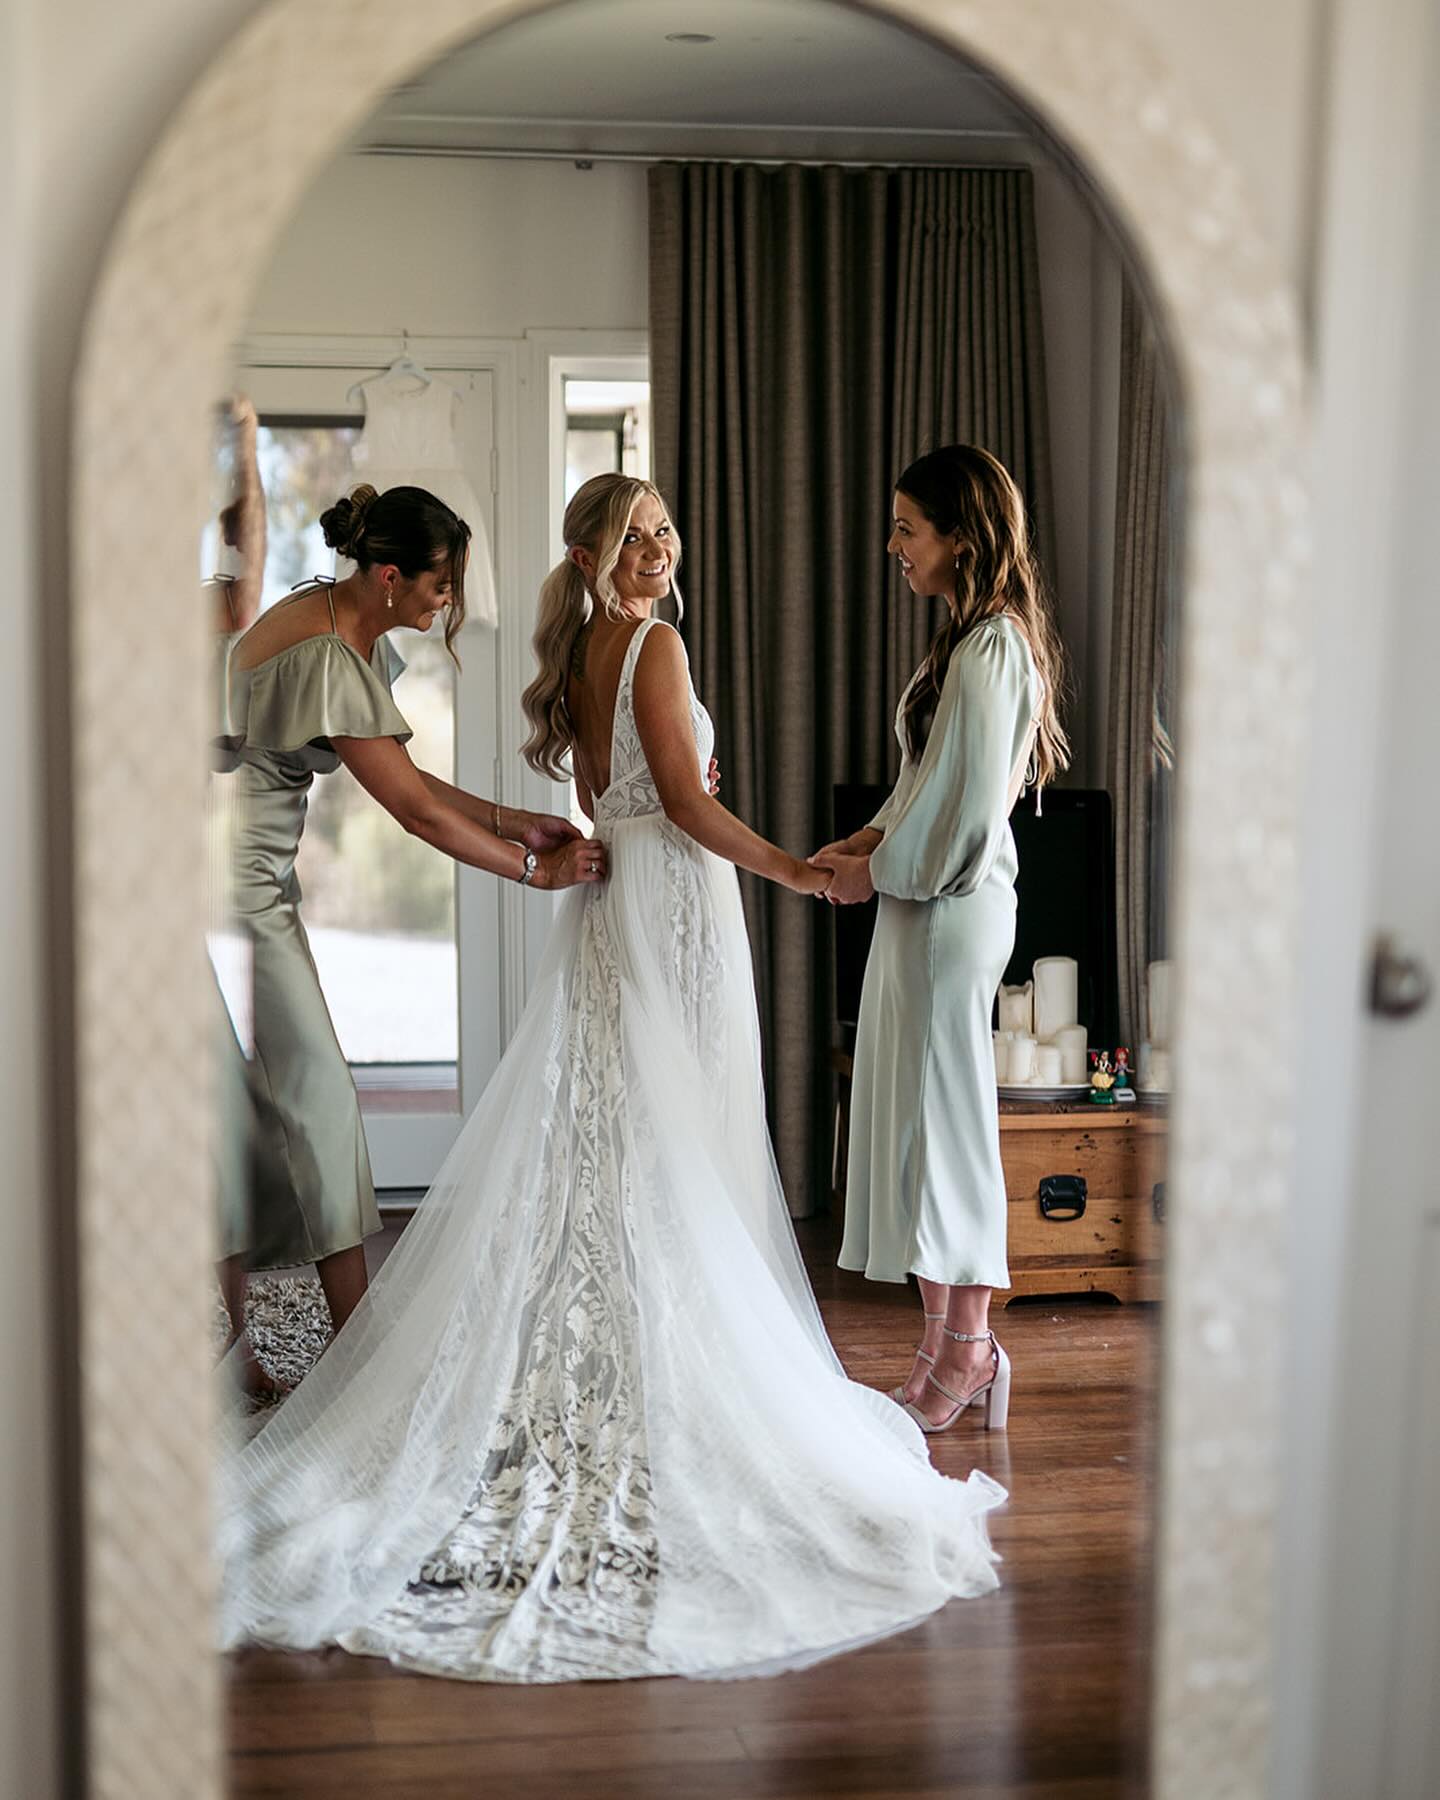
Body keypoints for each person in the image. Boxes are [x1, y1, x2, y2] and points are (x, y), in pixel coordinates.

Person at [217, 473, 1004, 1683]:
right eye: (635, 536)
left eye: (665, 531)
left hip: (612, 901)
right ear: (592, 552)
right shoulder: (655, 643)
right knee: (679, 1139)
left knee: (615, 1134)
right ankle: (667, 1377)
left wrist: (560, 840)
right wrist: (794, 873)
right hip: (675, 905)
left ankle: (603, 1358)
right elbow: (678, 805)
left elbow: (594, 800)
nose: (659, 548)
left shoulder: (588, 646)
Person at [224, 483, 600, 1345]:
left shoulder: (334, 621)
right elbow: (413, 814)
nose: (451, 601)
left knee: (252, 1103)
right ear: (390, 576)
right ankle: (360, 1340)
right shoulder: (324, 651)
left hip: (243, 877)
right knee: (312, 1088)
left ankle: (250, 1346)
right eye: (441, 585)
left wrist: (511, 818)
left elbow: (404, 776)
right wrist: (532, 871)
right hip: (222, 886)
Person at [814, 445, 1070, 1435]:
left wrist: (878, 867)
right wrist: (872, 839)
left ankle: (967, 1349)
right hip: (917, 901)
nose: (893, 547)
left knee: (946, 1130)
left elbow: (967, 813)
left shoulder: (995, 648)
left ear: (961, 535)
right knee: (917, 1130)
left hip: (951, 908)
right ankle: (945, 1345)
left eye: (907, 529)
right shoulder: (962, 645)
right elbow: (926, 783)